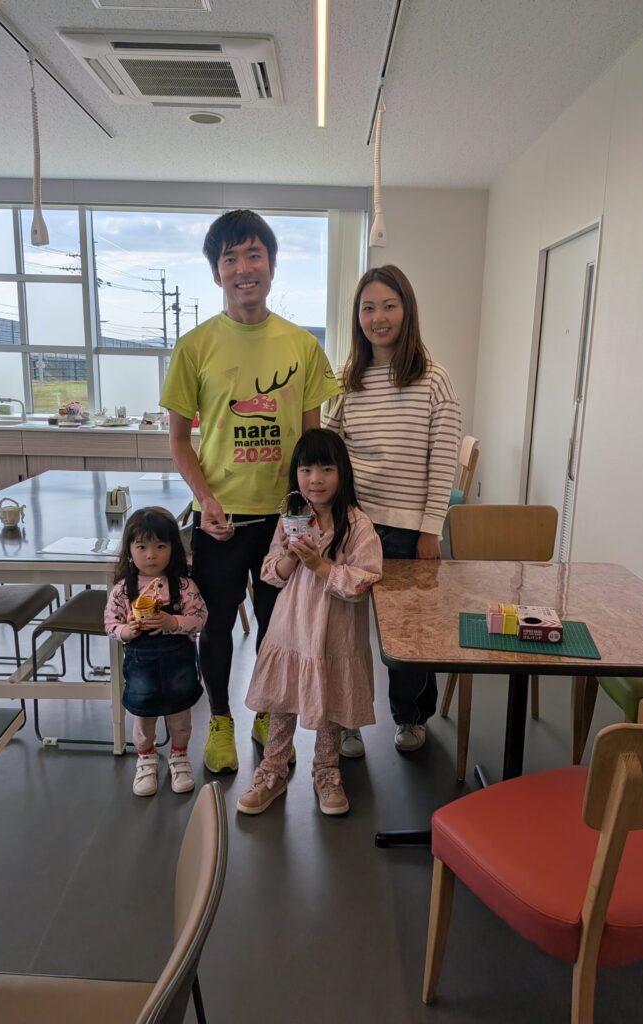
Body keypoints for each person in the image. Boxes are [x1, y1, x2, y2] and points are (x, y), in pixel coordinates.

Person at [161, 210, 340, 775]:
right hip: (220, 519)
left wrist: (313, 512)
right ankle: (220, 719)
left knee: (277, 626)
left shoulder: (302, 346)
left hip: (285, 520)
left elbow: (312, 444)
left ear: (272, 265)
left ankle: (267, 711)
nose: (244, 268)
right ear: (216, 272)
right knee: (216, 623)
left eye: (254, 254)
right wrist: (206, 499)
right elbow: (178, 441)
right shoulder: (194, 346)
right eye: (231, 258)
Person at [325, 265, 461, 756]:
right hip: (354, 527)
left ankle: (411, 717)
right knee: (344, 633)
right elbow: (331, 450)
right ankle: (347, 719)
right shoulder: (346, 379)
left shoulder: (434, 379)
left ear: (407, 311)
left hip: (407, 530)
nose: (378, 317)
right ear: (357, 316)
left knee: (409, 633)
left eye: (388, 306)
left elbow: (443, 461)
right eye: (368, 308)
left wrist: (430, 530)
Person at [237, 428, 382, 816]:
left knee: (330, 703)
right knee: (282, 702)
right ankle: (272, 769)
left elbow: (364, 581)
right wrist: (290, 556)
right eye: (306, 470)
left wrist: (319, 565)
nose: (315, 479)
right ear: (296, 475)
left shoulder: (357, 525)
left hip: (336, 633)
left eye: (326, 469)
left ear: (343, 472)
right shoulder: (291, 519)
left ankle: (326, 770)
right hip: (292, 628)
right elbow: (270, 574)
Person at [105, 507, 208, 797]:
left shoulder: (184, 586)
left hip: (178, 664)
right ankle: (146, 758)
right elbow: (110, 624)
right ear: (129, 550)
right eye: (141, 547)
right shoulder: (122, 590)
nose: (151, 555)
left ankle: (179, 756)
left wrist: (173, 622)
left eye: (160, 546)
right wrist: (126, 631)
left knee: (180, 717)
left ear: (173, 548)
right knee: (143, 717)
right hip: (141, 665)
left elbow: (200, 618)